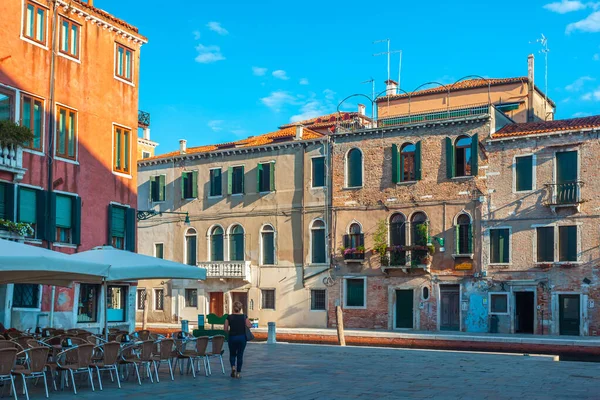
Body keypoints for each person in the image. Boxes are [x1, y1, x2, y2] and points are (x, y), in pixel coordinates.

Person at [224, 301, 251, 378]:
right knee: (240, 355)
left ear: (233, 308)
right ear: (240, 308)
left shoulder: (228, 317)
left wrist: (229, 332)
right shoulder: (244, 317)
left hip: (232, 337)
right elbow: (249, 325)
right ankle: (238, 373)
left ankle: (233, 367)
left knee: (232, 354)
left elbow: (225, 329)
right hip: (242, 338)